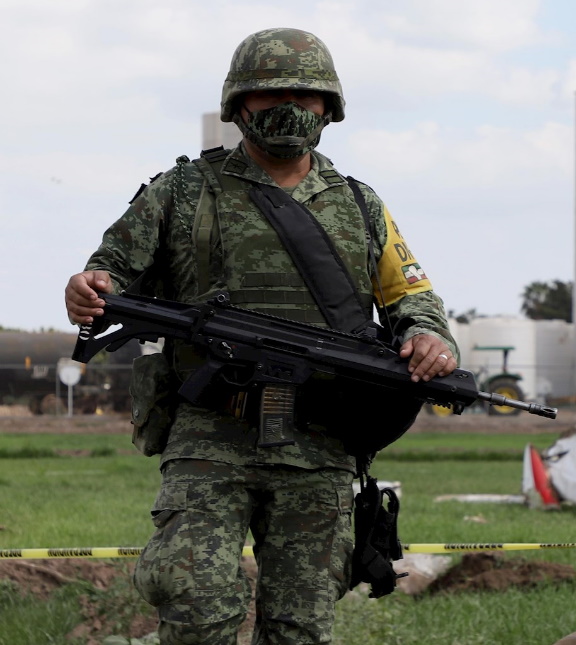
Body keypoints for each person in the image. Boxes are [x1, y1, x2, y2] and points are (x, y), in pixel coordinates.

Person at [63, 28, 458, 644]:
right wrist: (90, 286)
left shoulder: (359, 205)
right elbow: (110, 269)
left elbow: (411, 296)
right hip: (209, 435)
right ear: (237, 104)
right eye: (270, 94)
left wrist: (432, 337)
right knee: (195, 610)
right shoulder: (183, 191)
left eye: (306, 95)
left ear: (329, 107)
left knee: (301, 627)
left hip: (320, 442)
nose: (289, 109)